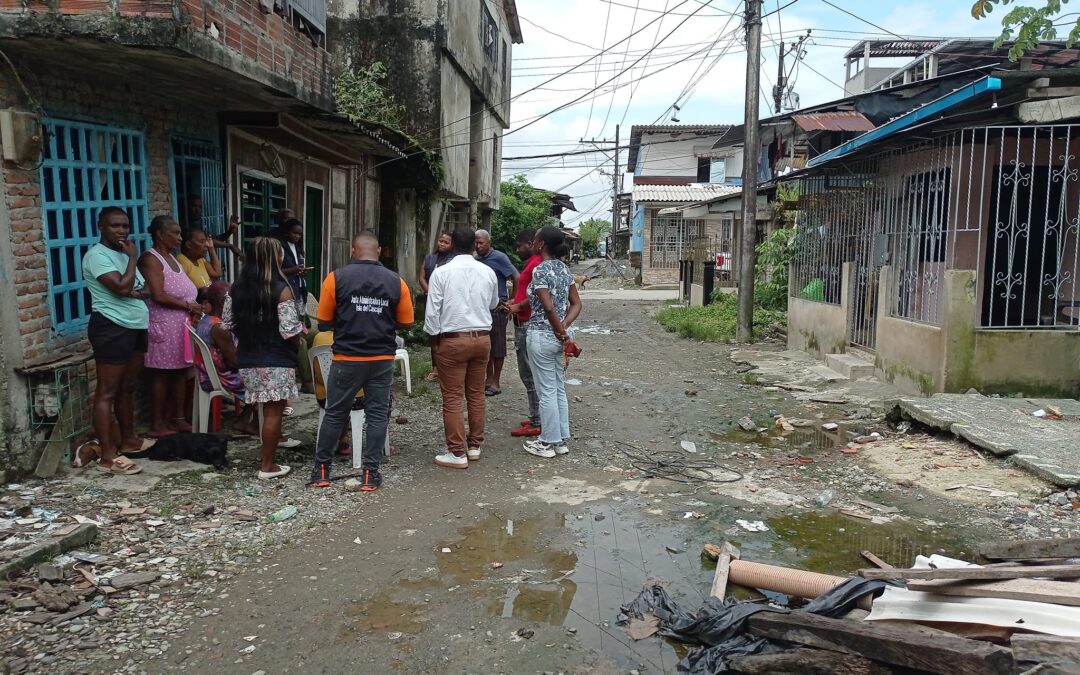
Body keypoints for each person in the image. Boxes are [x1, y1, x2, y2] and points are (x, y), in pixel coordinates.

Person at [309, 230, 414, 491]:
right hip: (381, 359)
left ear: (352, 251)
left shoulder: (335, 278)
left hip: (346, 357)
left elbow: (322, 322)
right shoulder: (396, 281)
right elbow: (406, 321)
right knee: (377, 414)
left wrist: (347, 319)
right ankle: (370, 474)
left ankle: (321, 472)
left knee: (334, 413)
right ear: (378, 251)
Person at [223, 237, 304, 480]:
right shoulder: (281, 288)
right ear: (275, 257)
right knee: (273, 412)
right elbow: (289, 331)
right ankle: (267, 466)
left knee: (263, 410)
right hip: (276, 358)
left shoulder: (236, 288)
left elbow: (227, 323)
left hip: (248, 358)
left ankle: (269, 453)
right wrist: (297, 343)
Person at [424, 226, 499, 469]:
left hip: (453, 339)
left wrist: (435, 342)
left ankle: (457, 453)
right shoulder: (487, 271)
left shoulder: (441, 272)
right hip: (482, 339)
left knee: (453, 397)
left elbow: (433, 311)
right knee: (476, 394)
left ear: (453, 245)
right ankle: (474, 446)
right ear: (474, 245)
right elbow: (494, 303)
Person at [82, 206, 148, 475]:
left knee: (128, 387)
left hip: (135, 325)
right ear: (101, 227)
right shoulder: (97, 256)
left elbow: (146, 290)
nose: (122, 231)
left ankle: (129, 440)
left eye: (125, 226)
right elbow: (122, 287)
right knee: (107, 392)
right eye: (115, 226)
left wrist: (131, 286)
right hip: (111, 327)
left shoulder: (120, 255)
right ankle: (108, 456)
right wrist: (133, 259)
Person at [139, 215, 202, 438]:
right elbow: (158, 294)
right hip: (164, 325)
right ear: (160, 234)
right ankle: (157, 423)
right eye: (174, 233)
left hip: (180, 325)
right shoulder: (151, 258)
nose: (179, 237)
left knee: (179, 373)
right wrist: (188, 305)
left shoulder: (172, 258)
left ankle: (178, 418)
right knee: (161, 375)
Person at [522, 226, 582, 459]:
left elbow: (547, 306)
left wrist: (559, 330)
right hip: (559, 337)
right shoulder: (564, 269)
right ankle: (560, 440)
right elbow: (576, 304)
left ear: (542, 244)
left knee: (545, 390)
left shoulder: (540, 270)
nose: (533, 243)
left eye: (535, 239)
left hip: (541, 335)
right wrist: (564, 328)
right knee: (557, 388)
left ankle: (547, 442)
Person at [193, 282, 259, 436]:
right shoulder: (219, 328)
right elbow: (233, 363)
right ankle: (255, 424)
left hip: (207, 373)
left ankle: (242, 422)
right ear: (225, 303)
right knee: (267, 380)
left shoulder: (207, 320)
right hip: (221, 378)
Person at [503, 228, 542, 437]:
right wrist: (514, 302)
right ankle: (536, 416)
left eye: (520, 246)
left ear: (531, 243)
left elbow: (538, 293)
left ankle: (537, 421)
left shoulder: (536, 264)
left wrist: (518, 306)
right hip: (522, 320)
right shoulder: (532, 263)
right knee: (528, 373)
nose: (517, 250)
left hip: (526, 322)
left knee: (528, 373)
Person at [474, 229, 519, 396]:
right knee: (487, 346)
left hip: (498, 307)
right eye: (475, 243)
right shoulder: (476, 260)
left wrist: (511, 302)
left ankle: (496, 381)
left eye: (481, 243)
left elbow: (517, 277)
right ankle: (488, 378)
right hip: (482, 308)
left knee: (498, 345)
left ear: (489, 243)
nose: (477, 246)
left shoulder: (499, 257)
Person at [419, 232, 453, 382]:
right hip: (430, 301)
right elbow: (421, 277)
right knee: (433, 334)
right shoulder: (430, 258)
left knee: (446, 334)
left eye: (446, 242)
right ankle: (435, 368)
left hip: (447, 303)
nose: (442, 244)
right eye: (441, 241)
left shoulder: (452, 261)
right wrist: (430, 292)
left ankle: (448, 367)